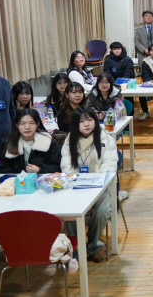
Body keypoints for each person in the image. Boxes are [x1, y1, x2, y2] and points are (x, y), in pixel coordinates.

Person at [60, 106, 118, 263]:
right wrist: (77, 182)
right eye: (82, 121)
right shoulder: (70, 141)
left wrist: (97, 184)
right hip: (76, 187)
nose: (86, 124)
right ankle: (77, 246)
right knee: (70, 210)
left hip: (101, 186)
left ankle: (94, 244)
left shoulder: (106, 139)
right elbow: (67, 167)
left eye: (90, 120)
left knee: (103, 209)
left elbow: (110, 165)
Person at [0, 109, 61, 174]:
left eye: (32, 123)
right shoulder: (9, 143)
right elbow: (4, 169)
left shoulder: (49, 142)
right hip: (16, 182)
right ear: (17, 125)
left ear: (37, 124)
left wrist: (40, 169)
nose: (27, 127)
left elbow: (57, 167)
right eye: (23, 123)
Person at [138, 43, 153, 120]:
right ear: (149, 52)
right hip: (149, 83)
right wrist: (150, 83)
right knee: (141, 93)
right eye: (151, 50)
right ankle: (145, 112)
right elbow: (145, 74)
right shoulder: (145, 61)